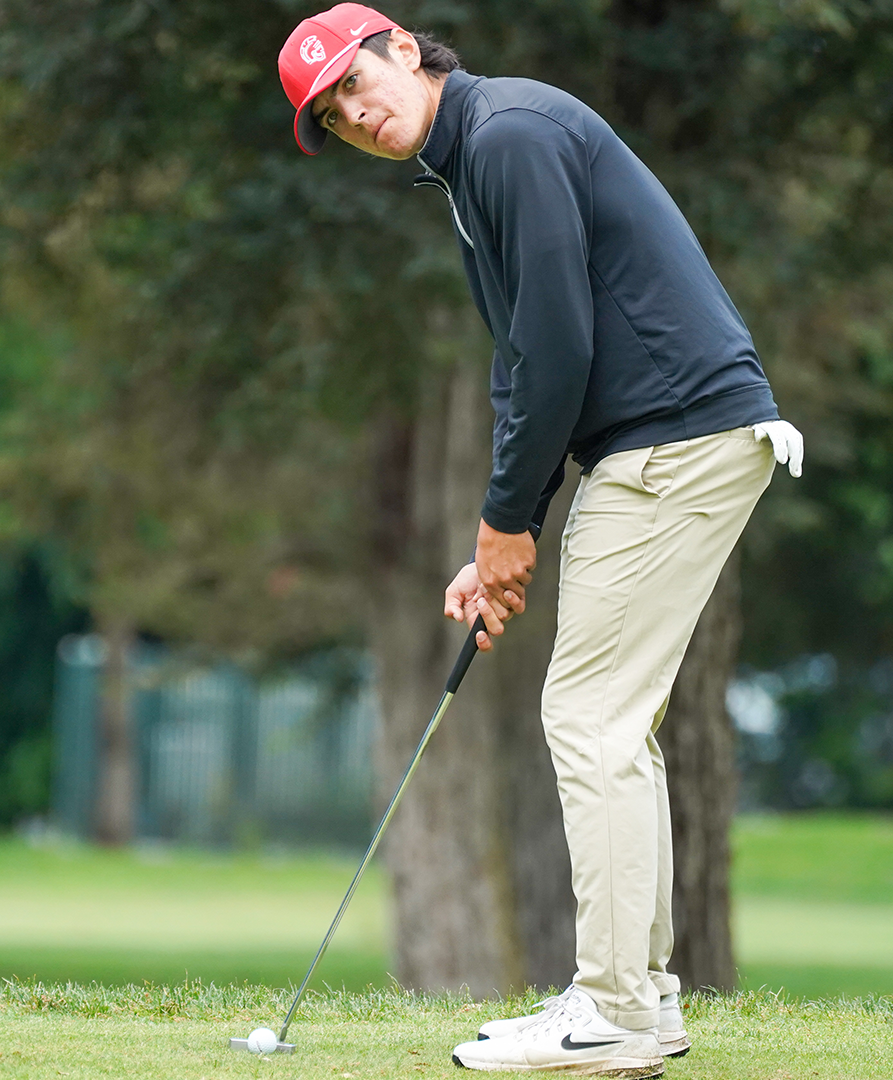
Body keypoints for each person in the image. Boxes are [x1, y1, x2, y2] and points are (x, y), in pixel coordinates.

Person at [278, 5, 805, 1076]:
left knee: (589, 717)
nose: (354, 112)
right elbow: (524, 362)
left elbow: (562, 343)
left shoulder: (509, 136)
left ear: (408, 49)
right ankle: (641, 1002)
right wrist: (499, 534)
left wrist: (510, 520)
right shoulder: (473, 164)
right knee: (614, 723)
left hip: (676, 439)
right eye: (330, 113)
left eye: (356, 80)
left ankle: (610, 1010)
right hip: (667, 444)